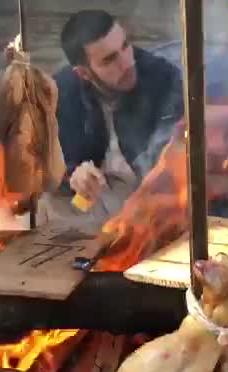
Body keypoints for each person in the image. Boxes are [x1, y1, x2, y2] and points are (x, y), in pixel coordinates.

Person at [37, 10, 185, 227]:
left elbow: (171, 163)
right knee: (42, 208)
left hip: (144, 194)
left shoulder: (162, 78)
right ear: (83, 73)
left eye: (125, 46)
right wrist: (74, 176)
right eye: (109, 60)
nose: (126, 63)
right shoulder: (62, 91)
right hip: (94, 196)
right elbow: (47, 163)